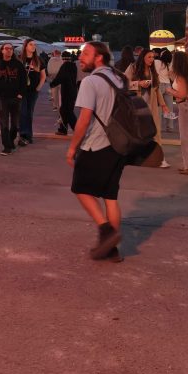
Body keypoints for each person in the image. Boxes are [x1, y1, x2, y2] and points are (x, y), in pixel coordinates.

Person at [66, 41, 127, 262]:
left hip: (96, 144)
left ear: (99, 57)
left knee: (80, 188)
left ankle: (106, 231)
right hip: (119, 145)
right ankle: (112, 250)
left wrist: (72, 148)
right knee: (110, 196)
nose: (80, 57)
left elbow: (84, 119)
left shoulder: (90, 81)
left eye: (86, 54)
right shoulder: (119, 78)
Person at [125, 48, 172, 168]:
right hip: (137, 105)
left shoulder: (152, 70)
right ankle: (136, 157)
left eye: (153, 57)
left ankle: (161, 159)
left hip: (152, 106)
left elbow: (157, 89)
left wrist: (164, 105)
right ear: (143, 57)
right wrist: (138, 84)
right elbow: (124, 83)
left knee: (155, 131)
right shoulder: (133, 68)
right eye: (149, 57)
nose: (152, 59)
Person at [0, 42, 28, 156]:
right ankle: (6, 147)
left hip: (16, 98)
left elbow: (24, 80)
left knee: (15, 124)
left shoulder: (18, 64)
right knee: (4, 123)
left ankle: (10, 141)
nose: (9, 50)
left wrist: (21, 94)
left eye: (11, 49)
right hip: (2, 98)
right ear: (2, 50)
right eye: (7, 48)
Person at [17, 39, 46, 146]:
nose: (33, 46)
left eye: (34, 45)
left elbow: (43, 76)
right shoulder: (20, 59)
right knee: (22, 112)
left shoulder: (38, 60)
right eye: (31, 44)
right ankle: (23, 135)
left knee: (29, 113)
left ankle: (29, 135)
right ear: (25, 46)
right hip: (21, 91)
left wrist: (38, 88)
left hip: (33, 91)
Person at [54, 51, 79, 136]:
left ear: (63, 58)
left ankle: (76, 129)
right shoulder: (74, 66)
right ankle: (63, 129)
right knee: (64, 110)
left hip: (66, 91)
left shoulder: (65, 66)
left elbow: (59, 77)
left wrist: (52, 84)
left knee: (67, 111)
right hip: (73, 91)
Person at [154, 49, 177, 132]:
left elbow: (155, 74)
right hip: (168, 85)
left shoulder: (157, 62)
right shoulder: (169, 64)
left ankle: (158, 127)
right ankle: (170, 127)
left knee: (159, 107)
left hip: (159, 85)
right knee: (169, 107)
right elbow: (172, 77)